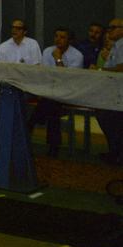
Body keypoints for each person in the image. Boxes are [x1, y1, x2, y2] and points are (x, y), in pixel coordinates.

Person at [31, 27, 83, 157]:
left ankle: (32, 123)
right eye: (56, 36)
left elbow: (67, 80)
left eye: (62, 37)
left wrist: (58, 59)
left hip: (69, 92)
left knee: (50, 104)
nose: (58, 40)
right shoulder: (48, 51)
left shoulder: (77, 56)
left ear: (69, 40)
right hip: (50, 91)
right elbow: (44, 75)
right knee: (52, 108)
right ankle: (54, 146)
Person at [96, 19, 123, 165]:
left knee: (108, 118)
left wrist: (99, 70)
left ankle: (117, 152)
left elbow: (121, 69)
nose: (109, 30)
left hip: (118, 95)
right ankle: (115, 151)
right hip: (112, 92)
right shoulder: (116, 46)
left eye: (113, 28)